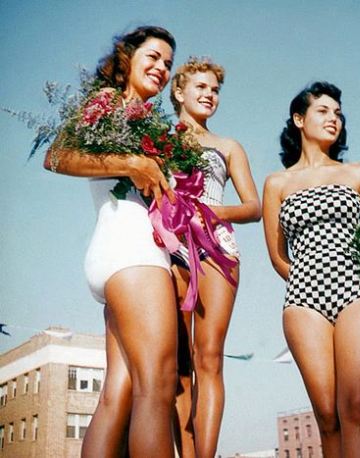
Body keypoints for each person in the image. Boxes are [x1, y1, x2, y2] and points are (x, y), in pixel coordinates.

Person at [44, 26, 179, 458]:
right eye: (154, 57)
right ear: (127, 56)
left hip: (123, 256)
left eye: (168, 64)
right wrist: (133, 162)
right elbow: (57, 156)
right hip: (131, 250)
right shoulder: (108, 103)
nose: (162, 68)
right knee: (157, 387)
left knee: (117, 395)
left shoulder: (152, 123)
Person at [262, 81, 360, 457]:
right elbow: (278, 255)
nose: (334, 118)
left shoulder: (358, 174)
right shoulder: (276, 183)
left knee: (357, 410)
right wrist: (308, 277)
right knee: (327, 416)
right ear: (299, 119)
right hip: (303, 298)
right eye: (323, 111)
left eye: (338, 113)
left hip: (358, 291)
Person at [169, 57, 261, 457]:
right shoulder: (156, 138)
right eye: (201, 87)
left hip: (217, 250)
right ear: (179, 92)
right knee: (176, 363)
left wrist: (210, 213)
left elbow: (254, 207)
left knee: (208, 358)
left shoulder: (227, 146)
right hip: (168, 246)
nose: (209, 95)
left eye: (215, 90)